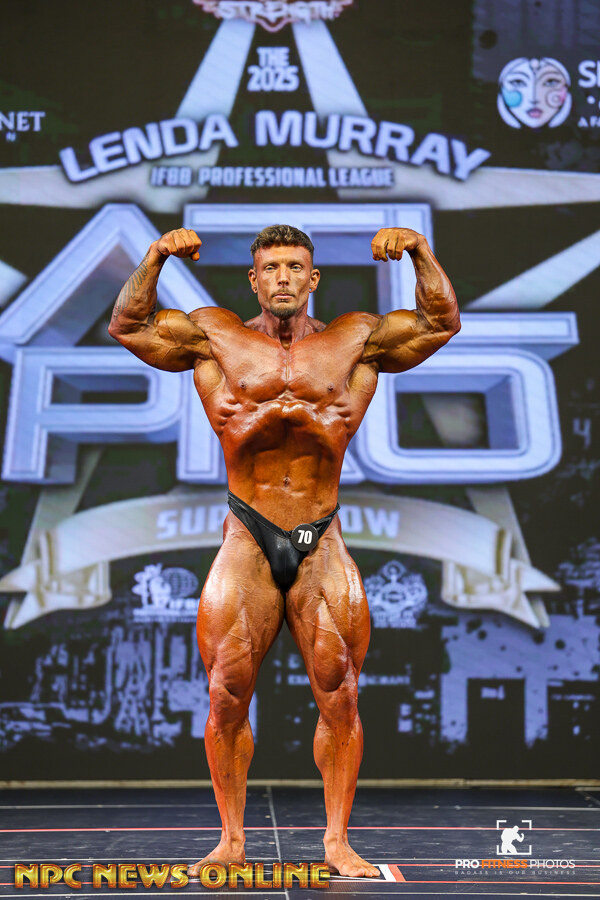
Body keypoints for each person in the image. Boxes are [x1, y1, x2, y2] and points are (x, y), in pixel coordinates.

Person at [109, 223, 460, 877]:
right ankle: (231, 840)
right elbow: (129, 326)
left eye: (295, 267)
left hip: (320, 536)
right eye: (271, 267)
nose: (283, 278)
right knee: (226, 693)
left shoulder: (356, 339)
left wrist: (419, 250)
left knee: (340, 692)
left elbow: (440, 322)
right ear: (254, 279)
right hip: (248, 533)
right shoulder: (214, 336)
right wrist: (154, 257)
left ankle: (337, 842)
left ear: (313, 278)